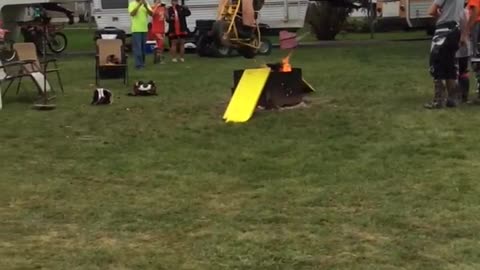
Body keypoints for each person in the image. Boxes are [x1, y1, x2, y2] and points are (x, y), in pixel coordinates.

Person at [424, 0, 464, 109]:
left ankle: (439, 100)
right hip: (456, 29)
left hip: (443, 30)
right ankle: (453, 99)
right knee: (450, 64)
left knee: (436, 63)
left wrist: (440, 16)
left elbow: (432, 11)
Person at [128, 0, 153, 69]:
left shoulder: (146, 3)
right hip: (136, 30)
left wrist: (146, 6)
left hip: (144, 29)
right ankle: (138, 65)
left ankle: (142, 63)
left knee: (143, 48)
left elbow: (151, 14)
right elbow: (132, 14)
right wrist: (139, 5)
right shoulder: (132, 4)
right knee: (137, 48)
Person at [457, 4, 473, 103]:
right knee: (464, 71)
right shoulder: (467, 13)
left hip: (457, 45)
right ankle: (464, 96)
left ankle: (457, 95)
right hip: (467, 45)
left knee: (456, 72)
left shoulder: (456, 14)